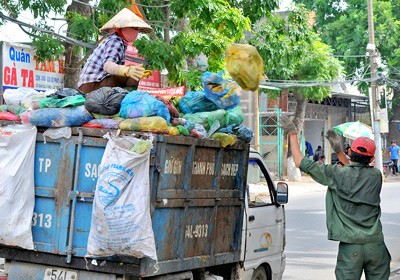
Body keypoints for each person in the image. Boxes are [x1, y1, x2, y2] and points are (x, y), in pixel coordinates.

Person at [280, 115, 391, 280]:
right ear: (372, 159)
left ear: (350, 151)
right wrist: (339, 151)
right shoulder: (375, 176)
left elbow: (299, 161)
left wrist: (293, 133)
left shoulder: (336, 174)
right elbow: (355, 171)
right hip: (376, 246)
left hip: (351, 248)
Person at [77, 8, 153, 94]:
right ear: (123, 27)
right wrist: (126, 70)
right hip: (92, 86)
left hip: (89, 85)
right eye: (134, 28)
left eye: (137, 29)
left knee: (135, 72)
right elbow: (108, 65)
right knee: (133, 75)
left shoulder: (118, 42)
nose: (136, 32)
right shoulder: (116, 41)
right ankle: (128, 99)